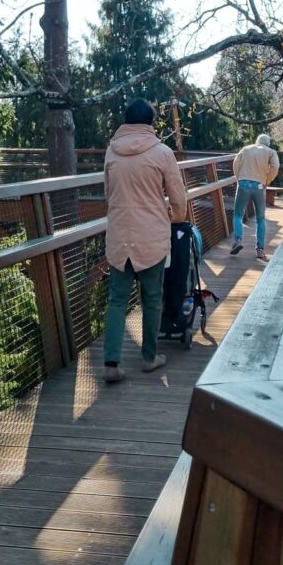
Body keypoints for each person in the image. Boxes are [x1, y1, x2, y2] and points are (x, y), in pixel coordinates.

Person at [103, 98, 188, 383]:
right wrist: (174, 217)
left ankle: (111, 364)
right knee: (152, 299)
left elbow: (108, 194)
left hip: (118, 235)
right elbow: (178, 200)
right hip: (151, 236)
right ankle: (149, 357)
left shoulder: (111, 154)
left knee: (116, 300)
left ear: (126, 123)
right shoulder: (163, 153)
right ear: (150, 124)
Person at [230, 133, 280, 262]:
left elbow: (236, 163)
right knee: (260, 219)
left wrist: (238, 177)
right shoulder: (271, 152)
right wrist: (266, 181)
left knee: (237, 215)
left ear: (257, 141)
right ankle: (260, 250)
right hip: (259, 186)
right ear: (268, 143)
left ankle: (238, 240)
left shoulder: (245, 149)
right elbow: (275, 167)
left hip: (243, 184)